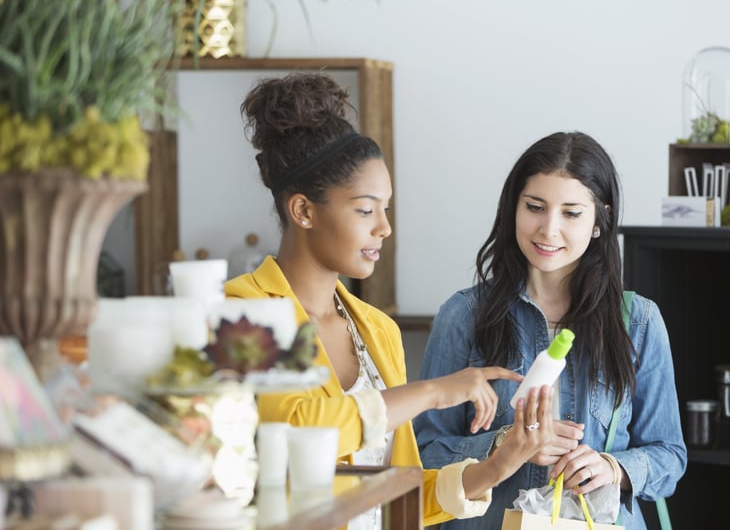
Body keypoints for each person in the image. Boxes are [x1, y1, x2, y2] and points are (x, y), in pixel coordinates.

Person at [225, 73, 584, 528]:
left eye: (386, 209)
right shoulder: (243, 310)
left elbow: (399, 496)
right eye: (364, 209)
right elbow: (297, 430)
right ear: (303, 211)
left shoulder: (377, 330)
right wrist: (432, 392)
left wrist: (500, 464)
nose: (383, 228)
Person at [413, 131, 687, 529]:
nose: (548, 229)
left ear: (599, 220)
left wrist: (612, 467)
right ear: (514, 209)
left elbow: (670, 457)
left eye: (571, 213)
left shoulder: (640, 322)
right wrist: (503, 444)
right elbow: (424, 452)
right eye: (535, 207)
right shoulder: (464, 315)